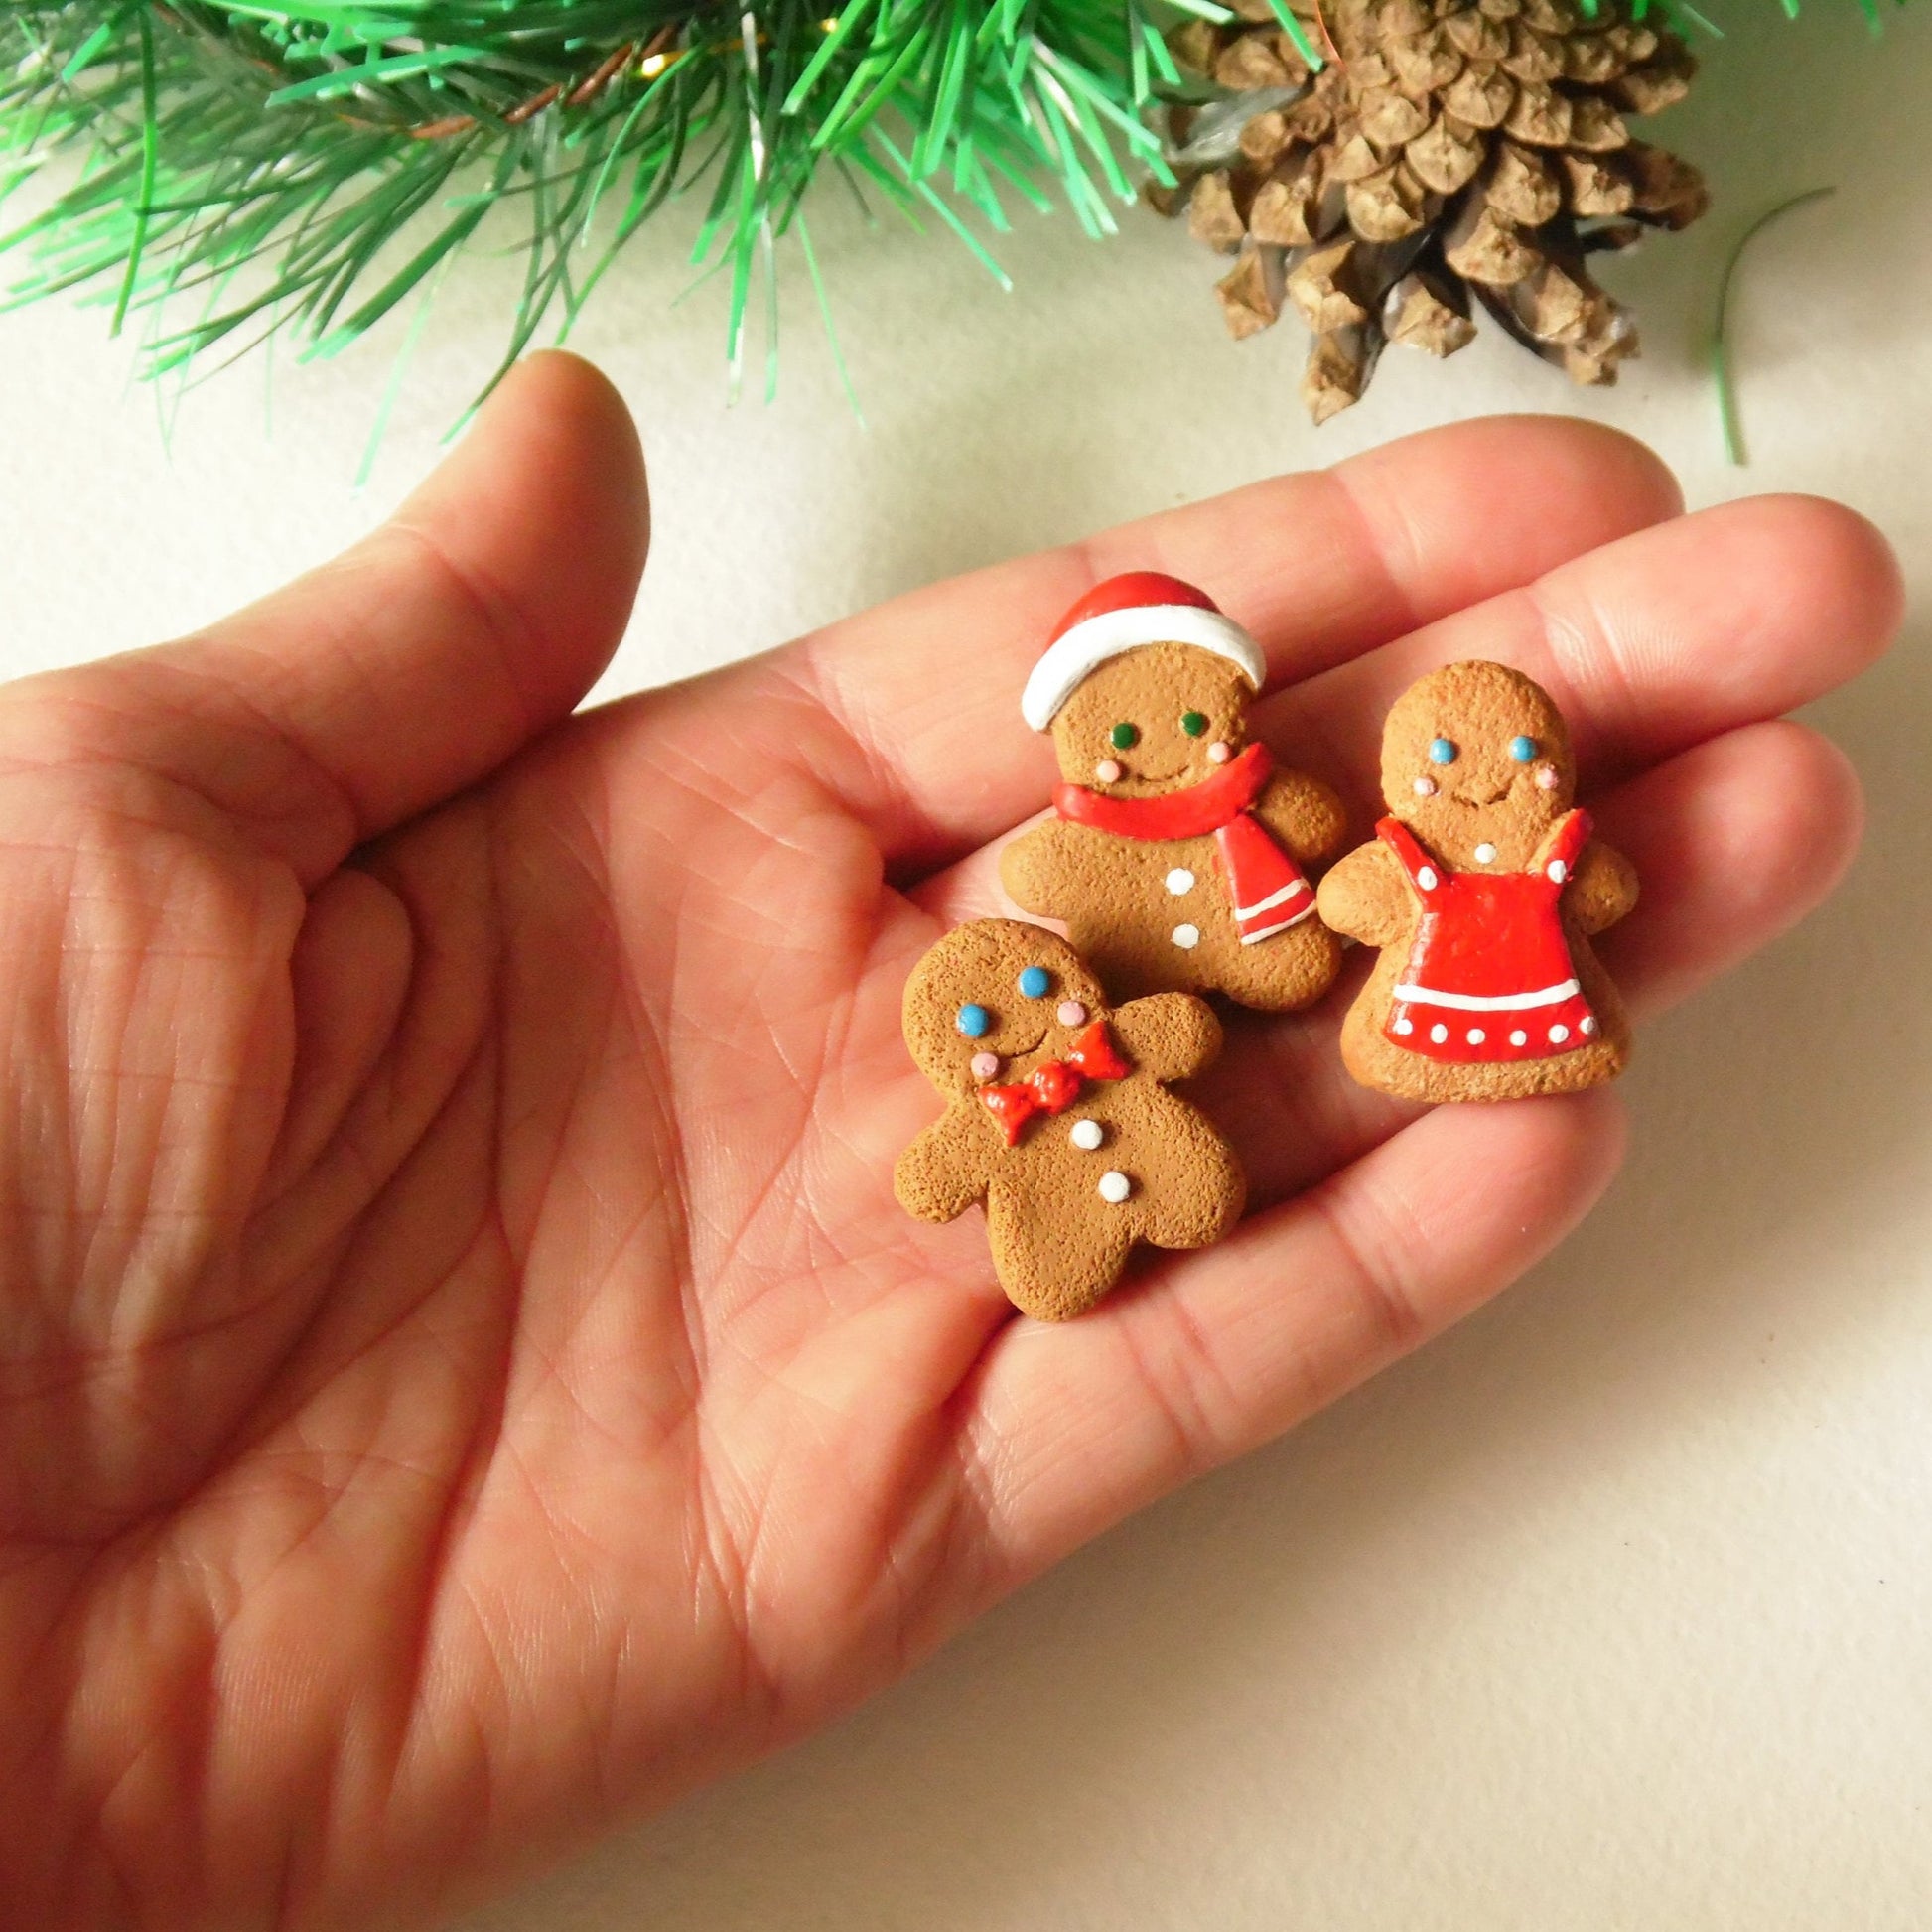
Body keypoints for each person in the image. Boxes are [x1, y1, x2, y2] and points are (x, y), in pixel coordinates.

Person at [0, 351, 1899, 1928]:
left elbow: (1284, 951)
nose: (1169, 747)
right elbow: (969, 1138)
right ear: (1094, 743)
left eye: (1188, 716)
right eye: (1139, 726)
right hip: (1123, 1126)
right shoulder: (1071, 866)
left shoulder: (1320, 817)